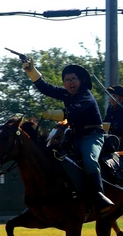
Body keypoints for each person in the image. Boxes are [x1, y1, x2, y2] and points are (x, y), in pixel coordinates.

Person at [21, 61, 113, 213]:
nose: (70, 83)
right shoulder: (65, 93)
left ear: (80, 81)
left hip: (92, 136)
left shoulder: (86, 95)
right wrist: (31, 70)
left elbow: (74, 110)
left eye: (73, 79)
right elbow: (45, 87)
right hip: (74, 136)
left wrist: (52, 114)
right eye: (67, 80)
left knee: (90, 160)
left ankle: (99, 196)